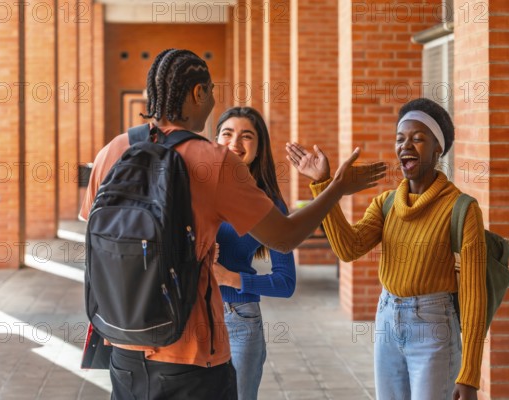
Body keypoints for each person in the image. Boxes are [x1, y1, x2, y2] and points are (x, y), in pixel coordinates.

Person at [80, 48, 386, 400]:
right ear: (198, 93)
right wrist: (337, 189)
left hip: (122, 345)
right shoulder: (214, 161)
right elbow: (284, 238)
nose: (212, 102)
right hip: (192, 356)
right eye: (210, 92)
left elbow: (97, 237)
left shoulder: (113, 151)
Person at [286, 98, 487, 400]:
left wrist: (469, 374)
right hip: (387, 322)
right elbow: (348, 248)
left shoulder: (462, 209)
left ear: (438, 149)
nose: (406, 146)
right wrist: (325, 184)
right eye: (400, 138)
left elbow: (474, 297)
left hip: (434, 330)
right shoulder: (386, 203)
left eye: (418, 139)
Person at [212, 107, 296, 400]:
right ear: (215, 141)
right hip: (192, 313)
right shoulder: (194, 190)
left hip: (239, 320)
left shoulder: (268, 205)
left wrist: (230, 278)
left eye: (246, 136)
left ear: (258, 149)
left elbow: (286, 283)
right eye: (227, 133)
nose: (235, 142)